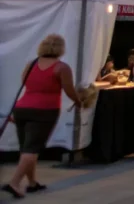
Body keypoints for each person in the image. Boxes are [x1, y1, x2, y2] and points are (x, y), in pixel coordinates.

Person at [3, 35, 81, 198]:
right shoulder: (62, 68)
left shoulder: (30, 65)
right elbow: (69, 90)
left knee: (26, 147)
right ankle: (15, 183)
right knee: (32, 148)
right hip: (45, 110)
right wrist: (78, 101)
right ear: (61, 48)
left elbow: (26, 83)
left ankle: (32, 183)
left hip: (21, 108)